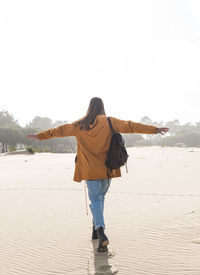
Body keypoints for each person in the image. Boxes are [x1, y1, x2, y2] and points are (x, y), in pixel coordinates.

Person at [27, 97, 169, 252]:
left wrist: (40, 135)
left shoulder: (79, 125)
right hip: (108, 168)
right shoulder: (110, 122)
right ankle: (96, 229)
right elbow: (131, 126)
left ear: (89, 108)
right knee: (99, 198)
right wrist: (155, 129)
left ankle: (100, 231)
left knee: (95, 199)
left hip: (89, 170)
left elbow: (59, 130)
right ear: (102, 107)